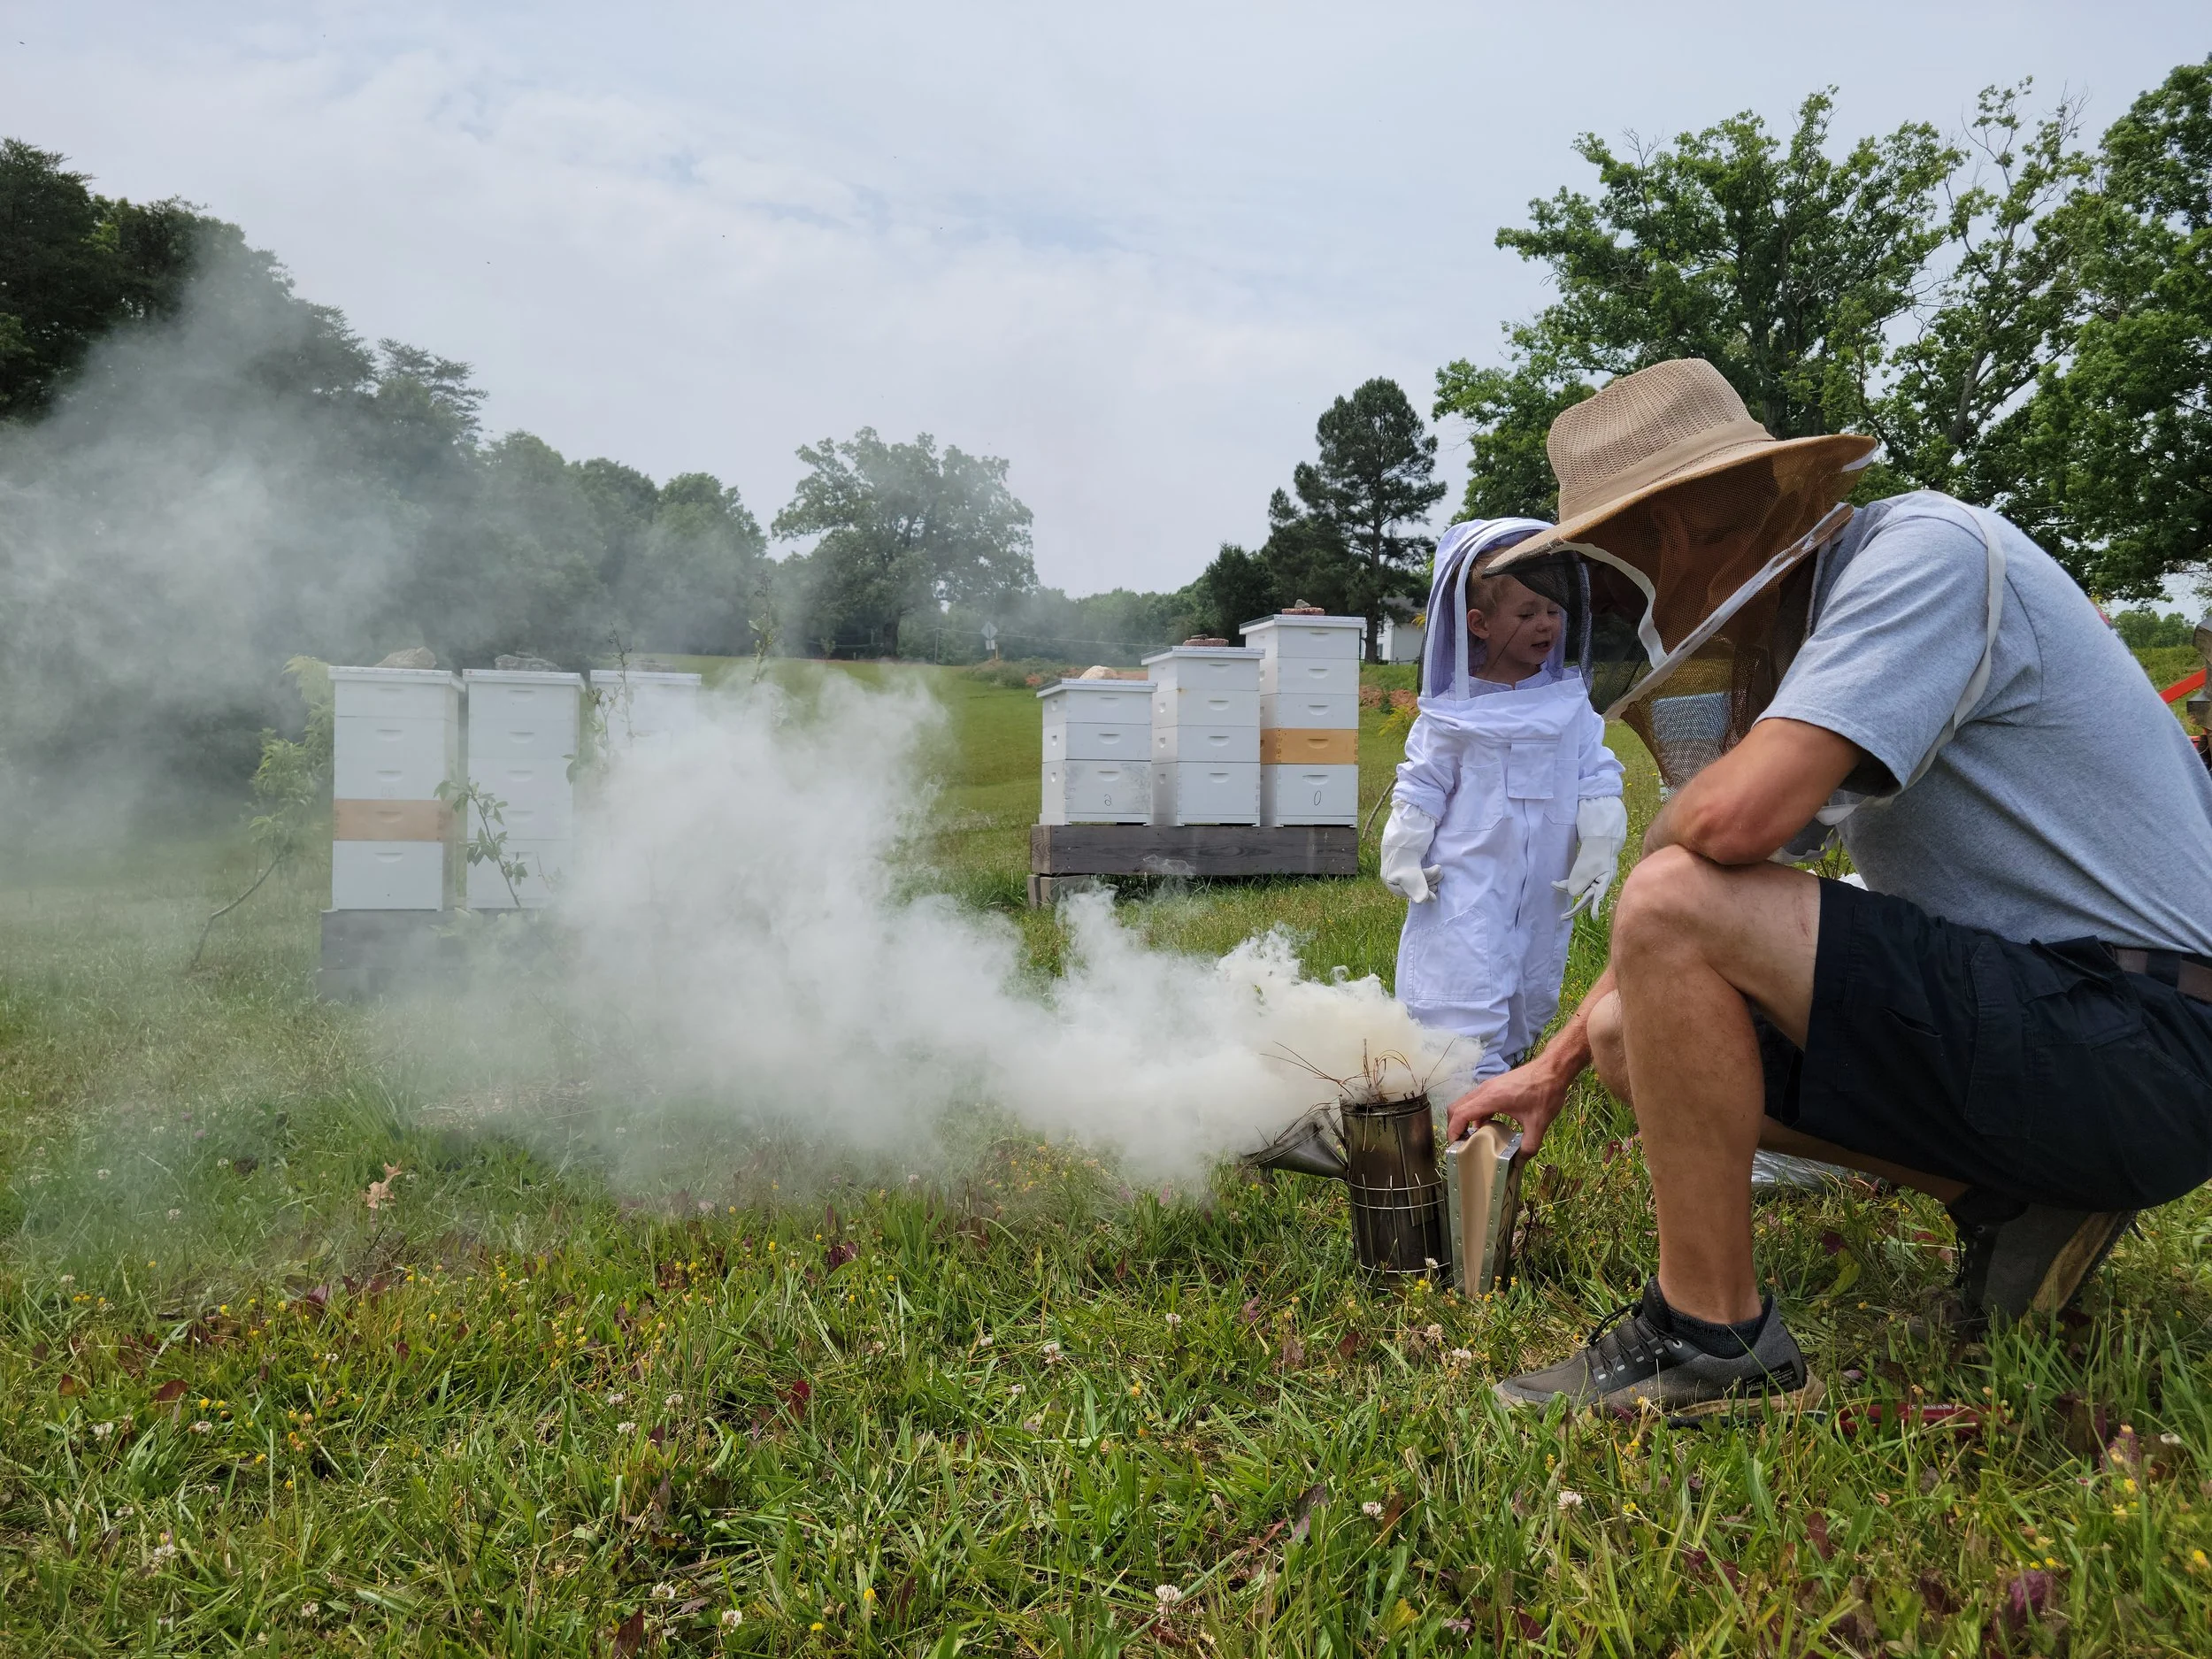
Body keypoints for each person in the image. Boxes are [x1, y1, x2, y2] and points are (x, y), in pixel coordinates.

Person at [1442, 357, 2212, 1416]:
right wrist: (1554, 1064)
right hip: (2078, 1028)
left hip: (2148, 1040)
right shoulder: (1826, 630)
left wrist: (1676, 834)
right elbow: (1724, 891)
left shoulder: (1926, 555)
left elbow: (1728, 832)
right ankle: (2016, 1204)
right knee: (1626, 1033)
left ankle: (1709, 1336)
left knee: (1671, 894)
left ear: (1690, 528)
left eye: (1632, 560)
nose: (1634, 593)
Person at [1381, 519, 1627, 1090]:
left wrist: (1600, 841)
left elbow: (1595, 772)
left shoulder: (1568, 702)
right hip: (1467, 874)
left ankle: (1506, 1076)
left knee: (1530, 975)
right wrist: (1404, 849)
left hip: (1544, 879)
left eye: (1554, 609)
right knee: (1464, 973)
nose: (1546, 624)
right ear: (1479, 624)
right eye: (1527, 612)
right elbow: (1423, 782)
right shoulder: (1452, 712)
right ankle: (1462, 1095)